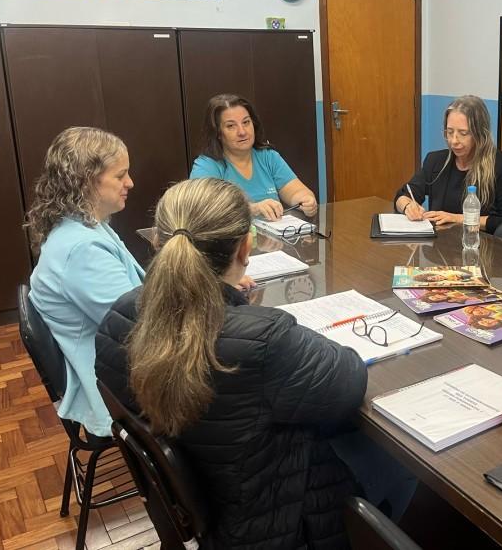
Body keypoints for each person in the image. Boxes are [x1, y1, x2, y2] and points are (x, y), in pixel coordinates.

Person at [95, 178, 405, 548]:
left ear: (160, 243)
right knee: (402, 464)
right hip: (274, 523)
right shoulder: (264, 340)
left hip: (206, 513)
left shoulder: (119, 320)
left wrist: (223, 298)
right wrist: (247, 317)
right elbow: (349, 380)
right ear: (245, 248)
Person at [26, 127, 144, 437]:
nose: (130, 183)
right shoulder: (81, 250)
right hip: (117, 384)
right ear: (87, 181)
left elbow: (136, 296)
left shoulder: (86, 226)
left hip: (115, 363)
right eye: (121, 176)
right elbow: (142, 328)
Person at [395, 95, 502, 233]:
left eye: (463, 133)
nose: (454, 141)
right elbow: (403, 195)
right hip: (441, 247)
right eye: (449, 132)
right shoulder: (435, 161)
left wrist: (457, 218)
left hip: (482, 247)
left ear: (480, 134)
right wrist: (408, 206)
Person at [190, 93, 317, 221]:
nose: (242, 132)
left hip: (273, 239)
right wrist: (253, 208)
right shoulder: (206, 165)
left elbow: (296, 191)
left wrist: (306, 200)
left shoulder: (268, 157)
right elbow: (203, 210)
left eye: (246, 122)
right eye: (231, 126)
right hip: (233, 240)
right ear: (217, 133)